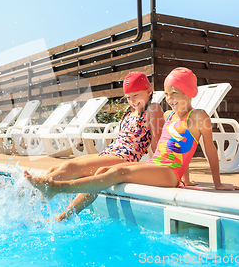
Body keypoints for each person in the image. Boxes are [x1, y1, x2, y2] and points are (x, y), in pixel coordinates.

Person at [24, 67, 239, 202]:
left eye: (174, 93)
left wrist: (218, 183)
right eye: (167, 94)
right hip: (156, 164)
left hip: (169, 172)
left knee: (116, 172)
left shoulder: (199, 116)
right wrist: (187, 179)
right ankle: (63, 216)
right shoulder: (168, 115)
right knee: (105, 170)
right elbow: (171, 146)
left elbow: (209, 151)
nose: (170, 98)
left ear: (189, 93)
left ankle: (59, 188)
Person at [43, 71, 164, 221]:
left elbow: (157, 141)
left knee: (70, 169)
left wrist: (158, 168)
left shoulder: (153, 109)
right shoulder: (130, 111)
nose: (132, 101)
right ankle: (40, 208)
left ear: (148, 91)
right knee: (56, 168)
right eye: (128, 97)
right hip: (110, 153)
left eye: (136, 95)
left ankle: (38, 197)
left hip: (124, 158)